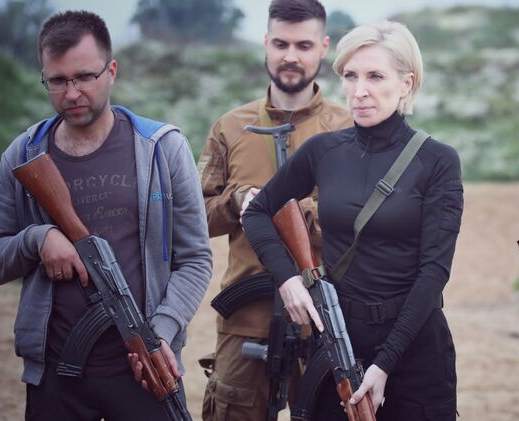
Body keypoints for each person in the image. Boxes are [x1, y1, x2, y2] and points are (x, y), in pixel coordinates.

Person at [0, 10, 212, 420]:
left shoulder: (162, 149)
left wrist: (159, 333)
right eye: (57, 80)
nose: (72, 93)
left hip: (144, 367)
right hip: (56, 373)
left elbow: (195, 259)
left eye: (85, 77)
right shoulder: (22, 155)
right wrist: (38, 239)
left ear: (112, 71)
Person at [242, 20, 462, 420]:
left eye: (375, 76)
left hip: (415, 350)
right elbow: (257, 212)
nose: (359, 91)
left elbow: (434, 273)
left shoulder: (438, 161)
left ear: (406, 83)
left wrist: (384, 364)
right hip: (338, 341)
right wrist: (288, 280)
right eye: (350, 75)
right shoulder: (323, 151)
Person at [197, 0, 351, 419]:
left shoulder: (348, 129)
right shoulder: (230, 127)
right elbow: (194, 217)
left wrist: (294, 211)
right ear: (265, 43)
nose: (290, 56)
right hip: (246, 318)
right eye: (281, 44)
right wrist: (239, 202)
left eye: (304, 45)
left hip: (327, 317)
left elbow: (364, 221)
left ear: (323, 47)